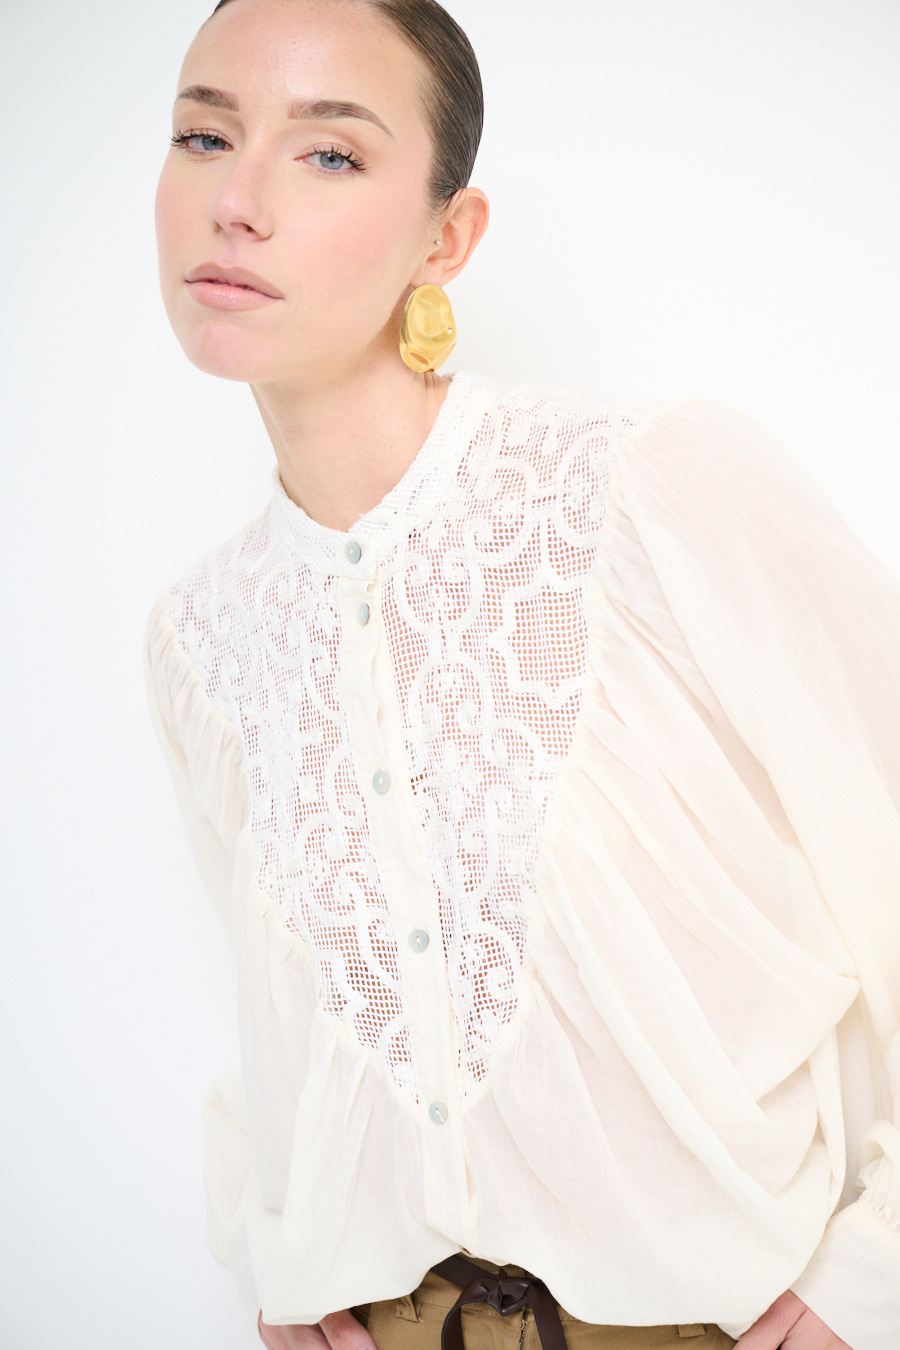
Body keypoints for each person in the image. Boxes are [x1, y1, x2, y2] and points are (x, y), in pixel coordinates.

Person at [145, 1, 900, 1348]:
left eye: (329, 153)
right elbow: (278, 1032)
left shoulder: (655, 489)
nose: (237, 201)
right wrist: (272, 1250)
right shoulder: (200, 637)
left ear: (448, 237)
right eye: (206, 136)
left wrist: (874, 1277)